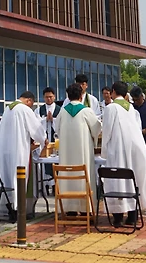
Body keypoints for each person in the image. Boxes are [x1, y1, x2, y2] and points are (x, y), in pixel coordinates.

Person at [101, 81, 146, 226]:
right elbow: (138, 127)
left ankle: (118, 217)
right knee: (133, 180)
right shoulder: (131, 108)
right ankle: (133, 216)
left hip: (117, 150)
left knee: (118, 182)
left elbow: (106, 131)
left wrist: (104, 151)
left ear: (113, 92)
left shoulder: (111, 108)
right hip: (135, 149)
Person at [0, 90, 46, 220]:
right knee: (18, 179)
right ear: (29, 101)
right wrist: (44, 139)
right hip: (19, 150)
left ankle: (9, 208)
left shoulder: (7, 109)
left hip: (6, 150)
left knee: (8, 179)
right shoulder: (24, 109)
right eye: (31, 105)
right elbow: (36, 129)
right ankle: (18, 209)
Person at [54, 82, 102, 214]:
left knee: (67, 177)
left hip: (66, 154)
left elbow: (57, 130)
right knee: (84, 176)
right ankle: (86, 209)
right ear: (81, 96)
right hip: (83, 153)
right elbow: (96, 129)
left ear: (68, 97)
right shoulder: (86, 111)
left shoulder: (62, 111)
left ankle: (70, 209)